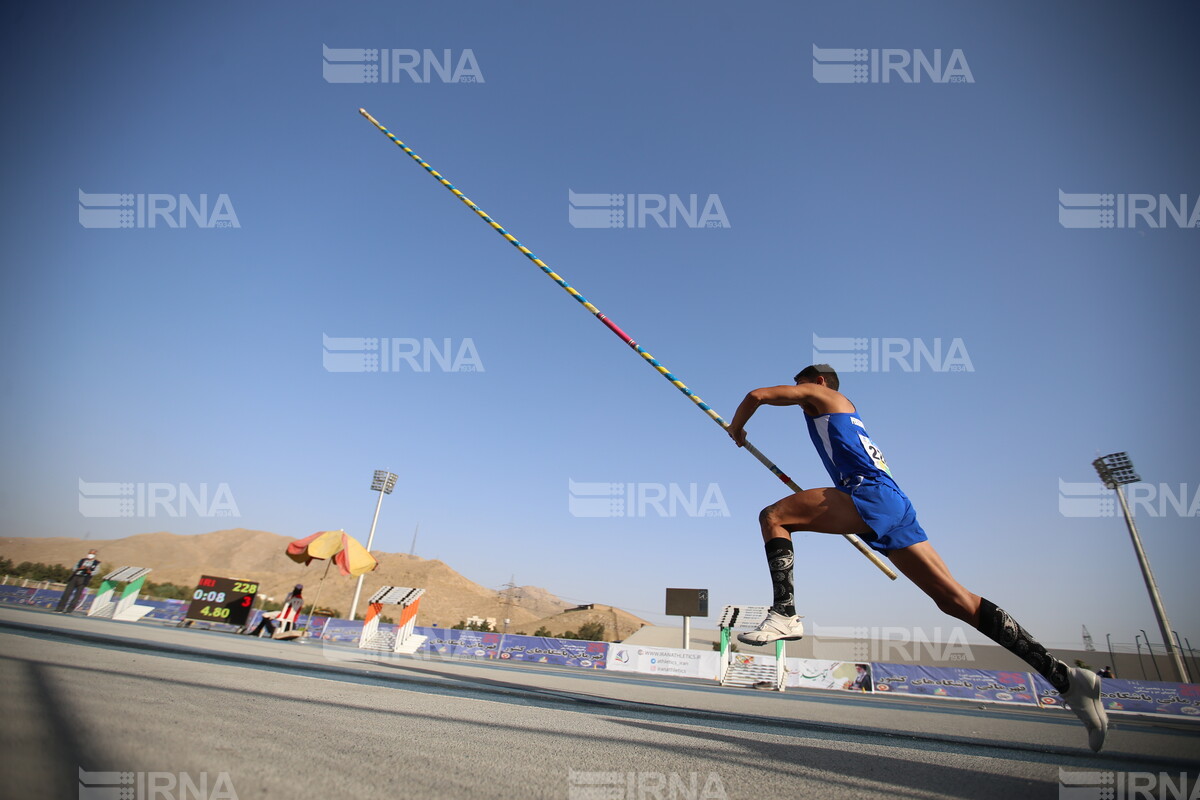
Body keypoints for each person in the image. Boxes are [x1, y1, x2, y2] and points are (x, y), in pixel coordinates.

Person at [726, 364, 1109, 751]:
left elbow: (757, 395)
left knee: (773, 516)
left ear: (819, 382)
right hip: (893, 501)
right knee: (955, 600)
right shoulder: (842, 411)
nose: (796, 394)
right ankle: (1065, 679)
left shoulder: (824, 396)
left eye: (800, 386)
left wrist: (737, 428)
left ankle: (785, 613)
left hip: (869, 493)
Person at [55, 549, 101, 613]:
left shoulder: (96, 563)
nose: (90, 555)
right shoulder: (82, 560)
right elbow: (74, 568)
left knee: (77, 595)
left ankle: (69, 610)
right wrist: (80, 568)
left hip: (84, 578)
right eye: (90, 553)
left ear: (95, 555)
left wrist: (89, 571)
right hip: (75, 576)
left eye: (92, 554)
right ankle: (59, 608)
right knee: (67, 593)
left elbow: (96, 572)